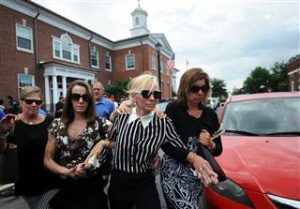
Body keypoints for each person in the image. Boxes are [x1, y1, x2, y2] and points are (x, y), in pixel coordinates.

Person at [95, 73, 218, 209]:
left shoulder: (163, 122)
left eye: (156, 94)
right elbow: (111, 141)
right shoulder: (122, 116)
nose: (152, 98)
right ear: (135, 95)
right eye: (147, 93)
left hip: (144, 182)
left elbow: (178, 147)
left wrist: (196, 159)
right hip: (119, 181)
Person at [44, 80, 114, 209]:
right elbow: (47, 159)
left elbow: (123, 138)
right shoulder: (56, 124)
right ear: (70, 99)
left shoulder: (100, 123)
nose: (80, 101)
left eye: (85, 97)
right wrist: (66, 171)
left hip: (93, 188)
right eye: (76, 96)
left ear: (90, 100)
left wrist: (103, 143)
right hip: (66, 187)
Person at [160, 67, 223, 209]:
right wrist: (192, 158)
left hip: (197, 176)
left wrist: (211, 144)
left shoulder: (210, 115)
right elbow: (165, 143)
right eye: (195, 88)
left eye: (204, 88)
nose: (200, 92)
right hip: (174, 173)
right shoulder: (173, 109)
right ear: (185, 87)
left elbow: (219, 149)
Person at [0, 86, 59, 209]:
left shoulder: (49, 121)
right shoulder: (12, 123)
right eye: (29, 101)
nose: (33, 104)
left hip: (51, 180)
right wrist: (2, 132)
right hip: (27, 182)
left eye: (38, 102)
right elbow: (2, 150)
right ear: (21, 101)